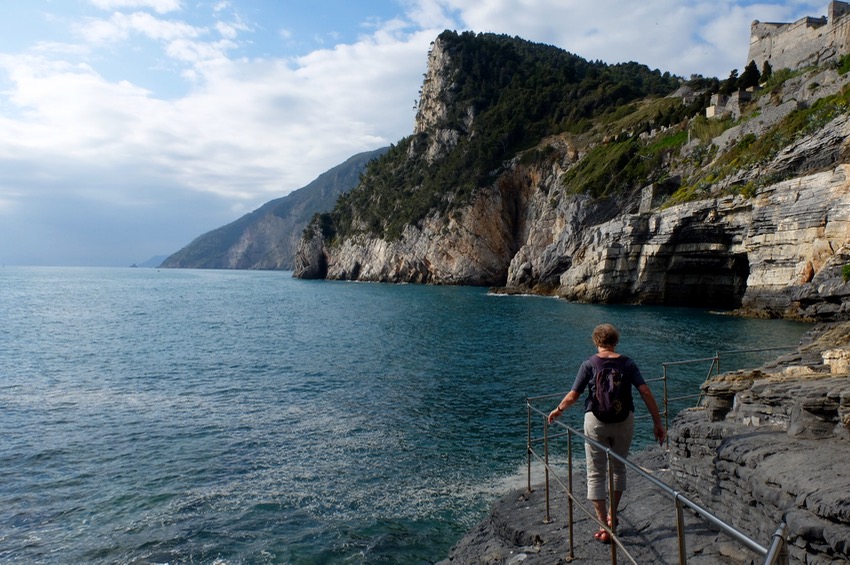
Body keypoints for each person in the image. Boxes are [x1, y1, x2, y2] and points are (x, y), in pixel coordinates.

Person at [548, 323, 666, 544]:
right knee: (618, 468)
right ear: (616, 341)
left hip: (595, 421)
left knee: (595, 473)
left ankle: (604, 526)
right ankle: (613, 515)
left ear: (596, 342)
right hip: (624, 421)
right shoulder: (628, 363)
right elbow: (645, 391)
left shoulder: (589, 364)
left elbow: (574, 395)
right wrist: (657, 422)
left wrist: (558, 410)